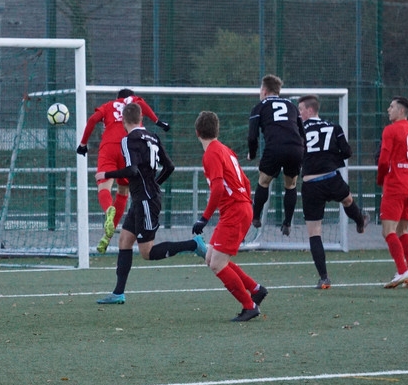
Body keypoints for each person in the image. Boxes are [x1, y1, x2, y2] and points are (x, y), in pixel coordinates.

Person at [95, 102, 203, 305]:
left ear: (123, 121)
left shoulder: (128, 140)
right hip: (143, 199)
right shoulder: (153, 137)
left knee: (147, 252)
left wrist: (106, 174)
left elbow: (132, 171)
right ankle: (118, 293)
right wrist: (155, 184)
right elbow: (169, 167)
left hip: (145, 200)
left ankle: (193, 244)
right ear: (141, 119)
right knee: (125, 241)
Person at [192, 111, 270, 321]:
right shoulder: (226, 150)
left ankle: (249, 306)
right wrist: (245, 207)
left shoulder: (211, 153)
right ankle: (255, 289)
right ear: (216, 130)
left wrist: (205, 218)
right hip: (237, 208)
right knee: (211, 258)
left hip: (235, 210)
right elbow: (245, 181)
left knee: (217, 263)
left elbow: (217, 187)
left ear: (197, 132)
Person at [77, 88, 169, 254]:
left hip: (109, 146)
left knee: (104, 187)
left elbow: (92, 120)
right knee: (123, 192)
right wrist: (158, 122)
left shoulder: (108, 105)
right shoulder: (134, 102)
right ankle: (107, 237)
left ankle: (108, 210)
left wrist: (83, 144)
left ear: (117, 98)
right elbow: (144, 106)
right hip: (129, 146)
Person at [296, 95, 367, 289]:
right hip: (331, 178)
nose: (299, 113)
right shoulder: (334, 127)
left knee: (314, 232)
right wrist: (330, 157)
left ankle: (324, 278)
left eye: (301, 109)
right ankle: (360, 221)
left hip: (310, 184)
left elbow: (295, 154)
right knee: (347, 200)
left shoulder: (298, 130)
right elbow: (347, 152)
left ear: (310, 110)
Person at [377, 97, 408, 288]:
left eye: (391, 107)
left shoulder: (390, 130)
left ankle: (401, 270)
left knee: (388, 231)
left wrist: (381, 180)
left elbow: (383, 161)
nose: (388, 110)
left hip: (396, 185)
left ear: (401, 111)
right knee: (402, 230)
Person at [248, 74, 305, 235]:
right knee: (291, 185)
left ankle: (256, 217)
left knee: (264, 181)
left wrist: (252, 154)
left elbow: (252, 136)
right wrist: (303, 152)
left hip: (274, 147)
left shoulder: (259, 107)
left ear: (265, 91)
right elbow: (302, 132)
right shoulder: (292, 106)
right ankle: (287, 223)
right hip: (295, 148)